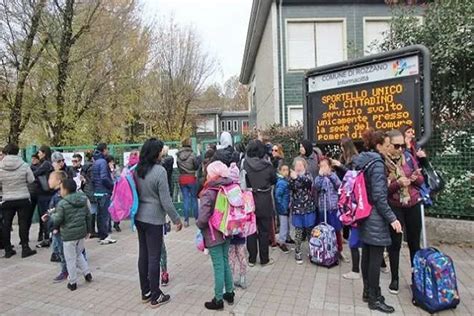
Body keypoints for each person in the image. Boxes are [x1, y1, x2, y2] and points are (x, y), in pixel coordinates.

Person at [353, 129, 402, 314]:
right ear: (379, 146)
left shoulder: (363, 161)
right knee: (375, 259)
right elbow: (380, 197)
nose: (391, 148)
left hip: (364, 212)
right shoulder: (378, 164)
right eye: (388, 145)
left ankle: (368, 292)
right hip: (375, 216)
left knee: (366, 254)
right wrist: (392, 218)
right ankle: (374, 298)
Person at [135, 138, 182, 308]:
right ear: (156, 152)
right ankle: (156, 295)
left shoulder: (137, 170)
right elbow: (166, 201)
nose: (163, 152)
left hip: (139, 217)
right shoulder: (159, 171)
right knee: (154, 256)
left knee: (144, 254)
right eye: (161, 150)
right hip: (154, 219)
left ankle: (146, 292)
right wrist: (177, 219)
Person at [385, 129, 424, 295]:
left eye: (402, 145)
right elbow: (383, 190)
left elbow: (422, 181)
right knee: (395, 244)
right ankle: (395, 279)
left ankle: (416, 279)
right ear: (388, 145)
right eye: (397, 145)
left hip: (413, 203)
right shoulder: (384, 163)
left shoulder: (408, 157)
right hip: (395, 205)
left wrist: (416, 177)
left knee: (415, 243)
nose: (401, 148)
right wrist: (398, 184)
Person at [197, 161, 235, 310]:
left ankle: (218, 299)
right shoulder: (229, 186)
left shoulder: (209, 191)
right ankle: (230, 292)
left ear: (213, 174)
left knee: (218, 266)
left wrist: (199, 225)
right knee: (225, 261)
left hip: (213, 233)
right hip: (227, 230)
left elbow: (203, 217)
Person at [44, 179, 92, 291]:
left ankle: (73, 282)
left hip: (69, 235)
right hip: (81, 233)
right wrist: (89, 230)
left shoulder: (62, 203)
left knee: (70, 259)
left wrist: (49, 218)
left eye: (61, 188)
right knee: (79, 254)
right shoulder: (83, 199)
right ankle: (87, 274)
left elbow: (57, 219)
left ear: (65, 190)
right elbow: (88, 216)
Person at [243, 140, 276, 267]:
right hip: (264, 199)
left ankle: (251, 259)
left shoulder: (245, 164)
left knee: (251, 230)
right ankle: (264, 259)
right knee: (264, 231)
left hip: (249, 199)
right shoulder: (267, 165)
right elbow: (274, 180)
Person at [0, 144, 36, 258]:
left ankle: (7, 250)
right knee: (23, 223)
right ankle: (25, 248)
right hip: (23, 198)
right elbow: (31, 180)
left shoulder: (0, 166)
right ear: (17, 152)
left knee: (6, 224)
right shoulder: (24, 165)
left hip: (7, 198)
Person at [314, 157, 349, 263]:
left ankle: (339, 250)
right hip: (323, 208)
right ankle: (325, 249)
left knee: (337, 230)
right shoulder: (318, 178)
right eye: (321, 166)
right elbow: (316, 186)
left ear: (329, 167)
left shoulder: (333, 176)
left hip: (333, 208)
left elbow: (339, 186)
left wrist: (331, 175)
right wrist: (320, 176)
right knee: (324, 230)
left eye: (325, 166)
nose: (323, 168)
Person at [289, 157, 316, 265]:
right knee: (298, 232)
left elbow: (308, 183)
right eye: (297, 165)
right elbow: (291, 187)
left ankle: (312, 251)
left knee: (310, 231)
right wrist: (294, 178)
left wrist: (298, 177)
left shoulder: (308, 175)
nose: (299, 167)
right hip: (297, 209)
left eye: (301, 165)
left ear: (304, 166)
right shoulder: (292, 177)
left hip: (309, 207)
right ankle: (297, 251)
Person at [45, 171, 69, 282]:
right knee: (59, 249)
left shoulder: (60, 197)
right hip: (58, 229)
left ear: (59, 182)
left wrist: (55, 227)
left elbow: (60, 214)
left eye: (51, 178)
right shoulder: (57, 196)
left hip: (59, 230)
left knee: (62, 251)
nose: (48, 181)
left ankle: (65, 271)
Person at [92, 143, 116, 245]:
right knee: (104, 215)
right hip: (104, 192)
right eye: (107, 150)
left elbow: (94, 178)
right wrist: (112, 185)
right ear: (104, 150)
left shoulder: (96, 161)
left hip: (97, 191)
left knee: (100, 214)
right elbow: (104, 177)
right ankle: (105, 236)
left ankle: (102, 235)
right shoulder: (102, 162)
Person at [176, 138, 200, 227]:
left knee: (185, 199)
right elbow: (196, 166)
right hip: (191, 177)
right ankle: (197, 219)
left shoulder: (178, 155)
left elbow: (178, 166)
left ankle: (186, 220)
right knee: (194, 198)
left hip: (182, 177)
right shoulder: (192, 155)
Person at [35, 145, 54, 247]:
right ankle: (47, 236)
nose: (38, 154)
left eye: (39, 152)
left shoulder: (45, 164)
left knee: (45, 216)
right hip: (48, 193)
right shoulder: (49, 163)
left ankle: (47, 238)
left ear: (44, 153)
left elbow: (35, 173)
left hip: (45, 194)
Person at [274, 164, 291, 253]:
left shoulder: (285, 180)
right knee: (284, 225)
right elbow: (278, 196)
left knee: (287, 223)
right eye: (283, 170)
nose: (286, 172)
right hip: (283, 207)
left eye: (287, 170)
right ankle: (282, 242)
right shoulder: (281, 182)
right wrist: (282, 207)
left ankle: (287, 238)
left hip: (286, 206)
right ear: (279, 171)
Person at [80, 151, 98, 238]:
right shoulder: (92, 167)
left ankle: (90, 230)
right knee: (93, 210)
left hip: (86, 190)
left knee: (90, 210)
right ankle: (92, 230)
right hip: (92, 190)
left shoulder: (84, 167)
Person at [27, 153, 41, 236]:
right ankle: (26, 235)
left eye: (35, 159)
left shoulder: (41, 167)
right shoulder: (29, 168)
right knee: (28, 216)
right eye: (32, 159)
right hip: (31, 193)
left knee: (41, 215)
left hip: (39, 193)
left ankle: (41, 234)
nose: (33, 160)